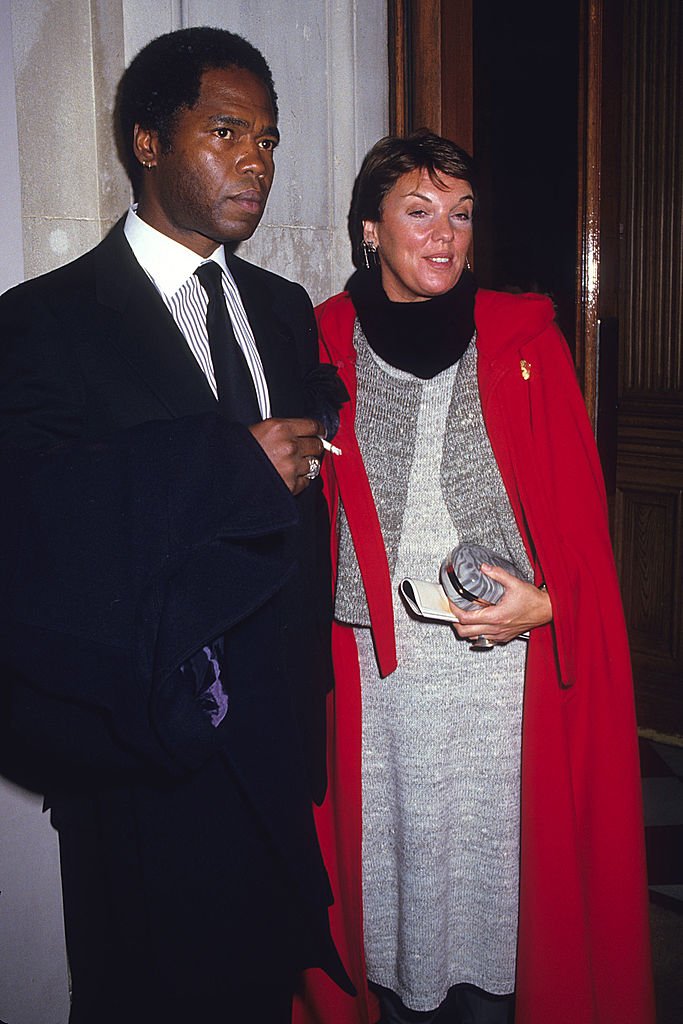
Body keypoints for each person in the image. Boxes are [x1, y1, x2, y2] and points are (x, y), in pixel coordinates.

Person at [0, 27, 351, 1023]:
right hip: (142, 760)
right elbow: (33, 530)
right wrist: (226, 470)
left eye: (270, 139)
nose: (257, 161)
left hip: (276, 746)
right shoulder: (44, 322)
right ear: (147, 140)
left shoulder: (283, 311)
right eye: (228, 130)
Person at [293, 131, 654, 1024]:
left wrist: (552, 606)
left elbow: (575, 535)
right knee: (387, 893)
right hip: (374, 684)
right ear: (368, 229)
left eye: (459, 215)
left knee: (494, 903)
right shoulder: (318, 342)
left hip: (499, 685)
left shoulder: (525, 339)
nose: (444, 236)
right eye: (417, 212)